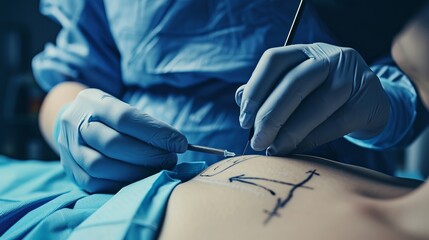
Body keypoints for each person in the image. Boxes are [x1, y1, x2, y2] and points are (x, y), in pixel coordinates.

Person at [32, 0, 426, 194]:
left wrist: (385, 107)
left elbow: (415, 71)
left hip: (331, 182)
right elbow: (70, 78)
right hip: (127, 186)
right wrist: (70, 117)